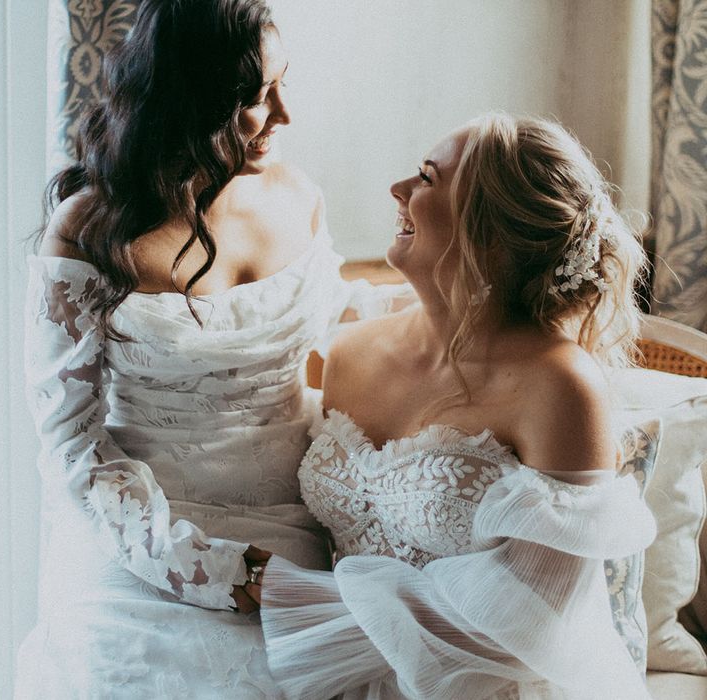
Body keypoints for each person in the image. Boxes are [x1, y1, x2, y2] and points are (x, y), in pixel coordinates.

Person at [15, 1, 412, 697]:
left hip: (295, 521)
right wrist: (217, 571)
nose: (284, 114)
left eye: (284, 83)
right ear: (184, 100)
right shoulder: (89, 231)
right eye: (257, 98)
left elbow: (342, 336)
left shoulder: (300, 198)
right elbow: (72, 451)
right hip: (143, 537)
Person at [254, 113, 657, 699]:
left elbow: (528, 617)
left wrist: (291, 601)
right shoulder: (350, 352)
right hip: (338, 673)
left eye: (425, 178)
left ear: (491, 230)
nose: (398, 190)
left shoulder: (561, 386)